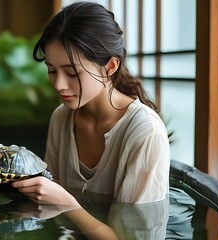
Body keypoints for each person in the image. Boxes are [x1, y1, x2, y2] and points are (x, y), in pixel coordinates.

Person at [12, 1, 171, 239]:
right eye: (52, 70)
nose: (58, 85)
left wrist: (69, 205)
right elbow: (49, 191)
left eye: (72, 73)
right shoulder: (61, 117)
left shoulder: (145, 132)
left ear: (110, 67)